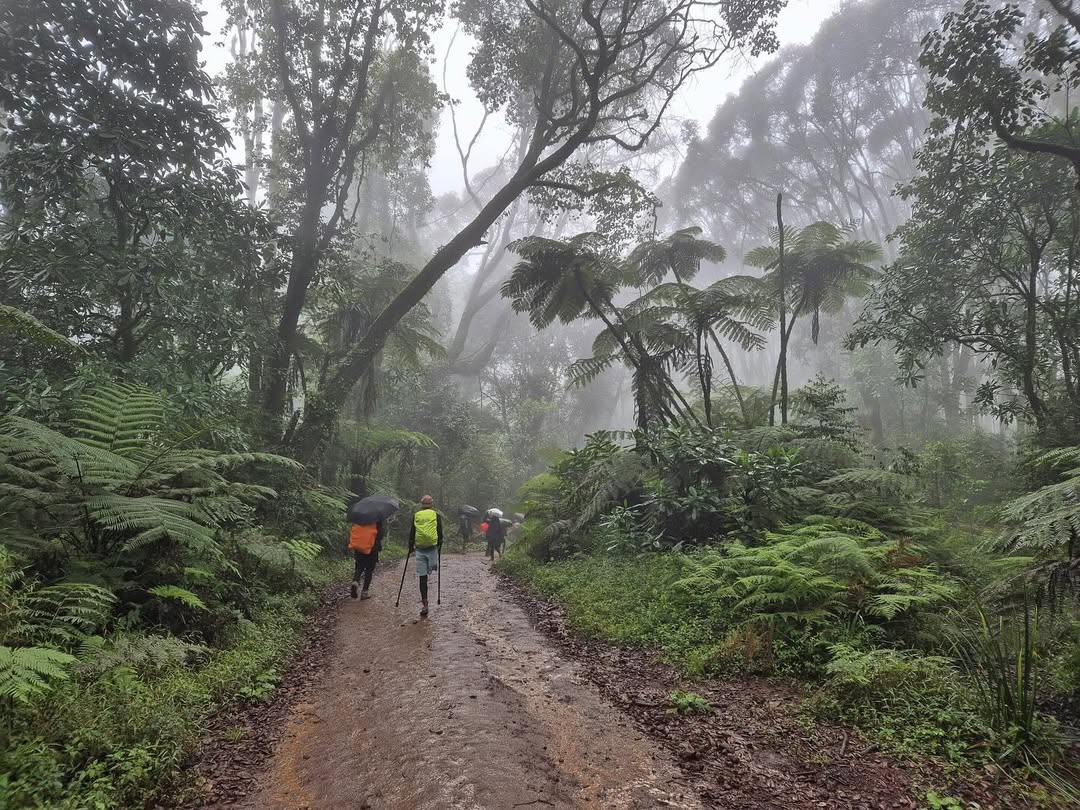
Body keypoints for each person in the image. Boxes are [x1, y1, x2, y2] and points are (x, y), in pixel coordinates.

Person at [409, 495, 443, 617]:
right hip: (432, 547)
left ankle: (425, 604)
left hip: (420, 549)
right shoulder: (436, 515)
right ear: (431, 504)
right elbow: (440, 532)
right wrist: (440, 544)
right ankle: (430, 569)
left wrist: (410, 546)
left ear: (421, 504)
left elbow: (412, 532)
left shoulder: (416, 515)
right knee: (433, 568)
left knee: (422, 577)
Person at [348, 520, 384, 600]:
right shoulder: (377, 518)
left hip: (359, 547)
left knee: (359, 567)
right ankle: (364, 592)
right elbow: (380, 536)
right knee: (369, 570)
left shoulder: (360, 517)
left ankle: (355, 581)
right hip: (372, 548)